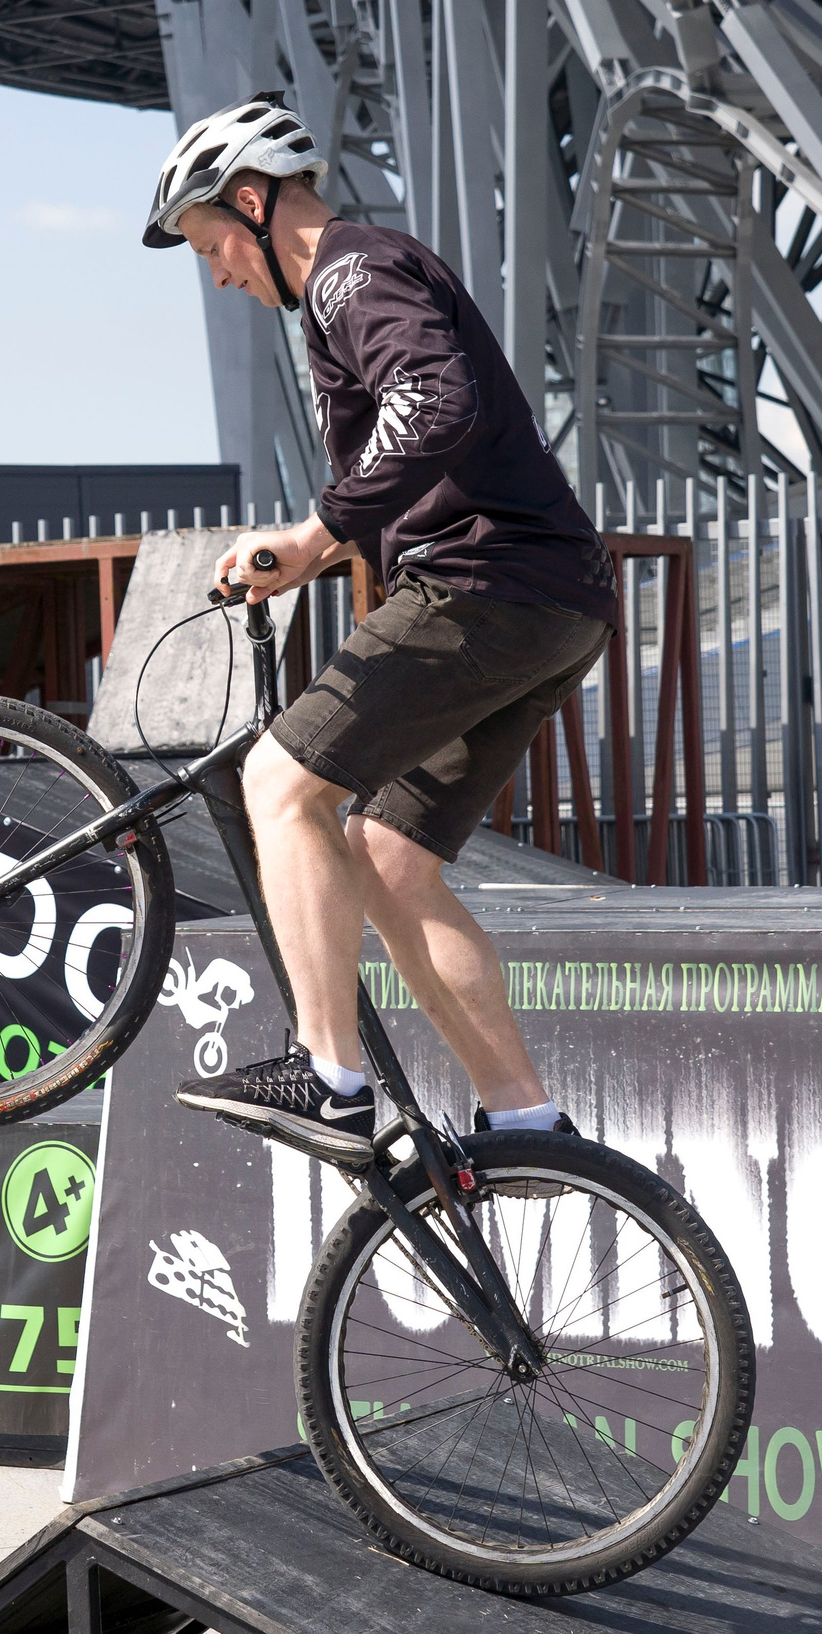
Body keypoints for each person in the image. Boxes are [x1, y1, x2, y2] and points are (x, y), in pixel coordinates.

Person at [140, 95, 619, 1161]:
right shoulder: (358, 287)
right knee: (389, 861)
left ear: (256, 204)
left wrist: (313, 539)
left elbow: (434, 403)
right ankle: (526, 1119)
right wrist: (315, 552)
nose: (218, 274)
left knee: (278, 783)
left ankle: (326, 1075)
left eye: (213, 245)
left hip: (487, 587)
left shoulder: (351, 273)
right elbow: (421, 451)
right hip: (550, 601)